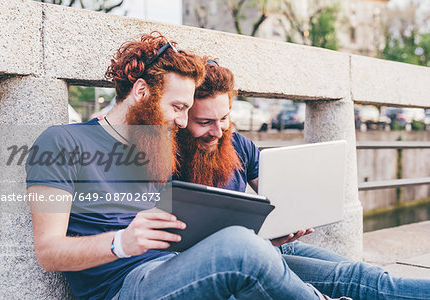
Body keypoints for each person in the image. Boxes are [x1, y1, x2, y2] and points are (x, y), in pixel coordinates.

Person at [27, 32, 345, 300]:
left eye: (187, 109)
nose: (182, 121)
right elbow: (48, 252)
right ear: (141, 91)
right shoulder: (61, 143)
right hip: (125, 286)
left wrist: (263, 241)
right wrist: (120, 242)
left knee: (273, 254)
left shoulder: (156, 147)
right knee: (241, 247)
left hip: (178, 268)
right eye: (177, 107)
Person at [175, 59, 430, 300]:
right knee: (342, 282)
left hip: (273, 244)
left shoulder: (238, 145)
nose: (218, 132)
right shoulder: (168, 157)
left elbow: (277, 189)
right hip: (236, 261)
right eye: (205, 122)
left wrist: (295, 213)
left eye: (224, 119)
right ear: (183, 116)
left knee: (363, 275)